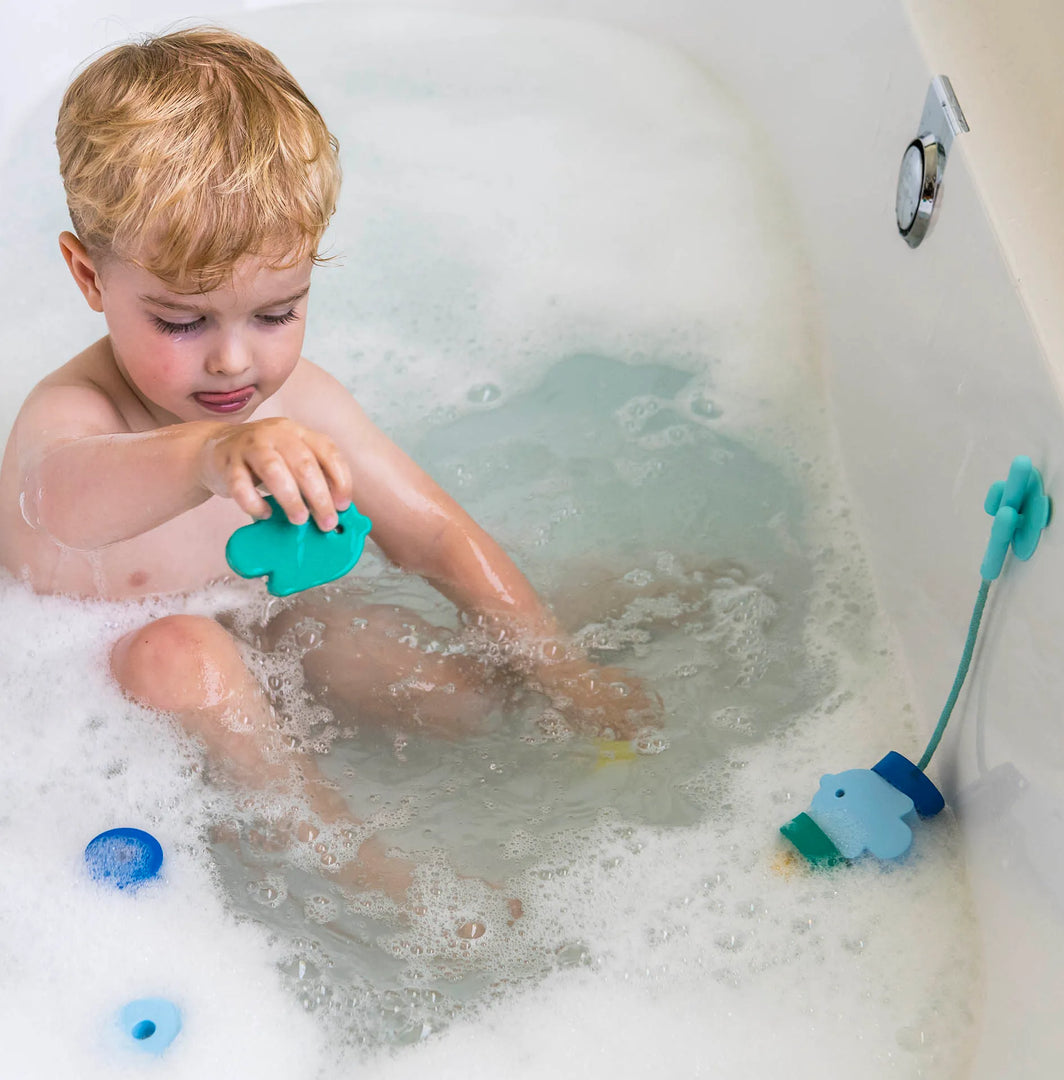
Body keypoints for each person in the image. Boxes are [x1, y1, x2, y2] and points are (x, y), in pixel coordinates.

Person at [0, 26, 658, 896]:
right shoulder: (73, 414)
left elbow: (430, 535)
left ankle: (633, 602)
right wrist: (210, 451)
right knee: (181, 649)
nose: (236, 362)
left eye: (276, 313)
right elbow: (60, 503)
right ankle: (336, 848)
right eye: (183, 322)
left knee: (456, 699)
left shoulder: (298, 399)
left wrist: (566, 673)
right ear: (89, 278)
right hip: (102, 683)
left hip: (271, 631)